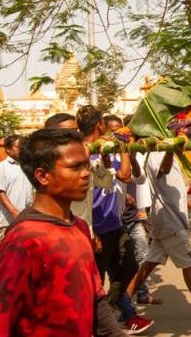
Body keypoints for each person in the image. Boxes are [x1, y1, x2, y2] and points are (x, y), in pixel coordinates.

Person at [0, 128, 128, 336]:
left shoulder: (81, 229)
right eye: (75, 167)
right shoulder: (23, 240)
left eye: (86, 165)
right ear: (42, 176)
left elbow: (95, 299)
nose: (85, 174)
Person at [78, 107, 153, 334]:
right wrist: (124, 148)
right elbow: (125, 175)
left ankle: (110, 309)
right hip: (95, 228)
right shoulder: (81, 153)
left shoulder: (102, 151)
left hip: (114, 223)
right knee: (95, 281)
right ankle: (94, 323)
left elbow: (118, 176)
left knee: (130, 265)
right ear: (99, 125)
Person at [131, 147, 191, 319]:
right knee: (188, 263)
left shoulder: (167, 153)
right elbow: (163, 170)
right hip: (170, 222)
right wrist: (170, 149)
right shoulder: (157, 154)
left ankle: (122, 298)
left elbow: (172, 190)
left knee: (149, 264)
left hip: (166, 220)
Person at [0, 135, 34, 239]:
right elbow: (0, 192)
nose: (22, 149)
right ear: (7, 149)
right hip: (8, 222)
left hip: (28, 219)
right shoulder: (1, 167)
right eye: (19, 147)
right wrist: (14, 212)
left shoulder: (28, 167)